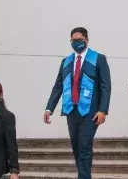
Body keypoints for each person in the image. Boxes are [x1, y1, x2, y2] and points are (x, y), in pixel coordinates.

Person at [44, 27, 111, 179]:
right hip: (71, 111)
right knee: (76, 147)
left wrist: (103, 110)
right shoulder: (66, 62)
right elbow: (58, 87)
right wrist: (49, 109)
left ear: (86, 40)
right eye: (73, 40)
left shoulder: (98, 58)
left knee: (85, 146)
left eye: (79, 39)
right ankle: (84, 175)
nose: (76, 42)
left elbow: (106, 86)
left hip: (91, 112)